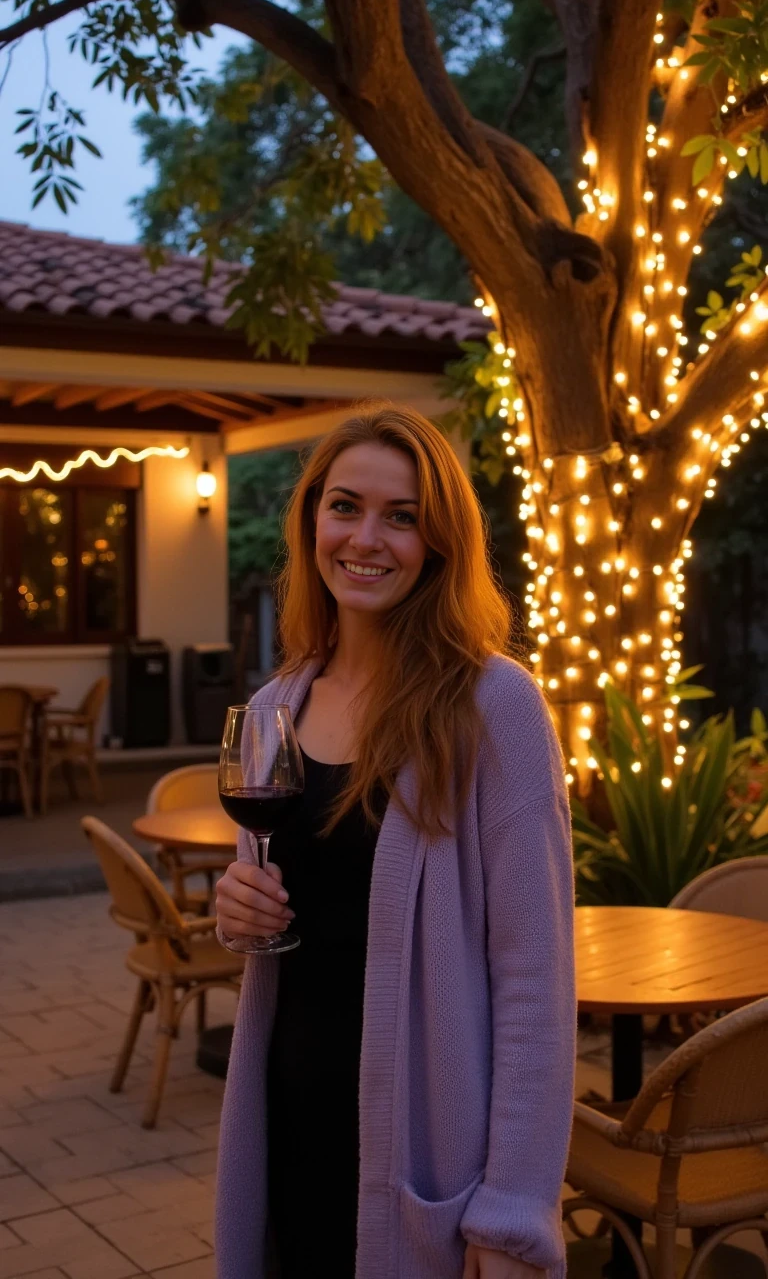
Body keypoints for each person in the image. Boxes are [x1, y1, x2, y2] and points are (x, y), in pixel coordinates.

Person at [215, 404, 576, 1279]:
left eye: (402, 516)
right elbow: (281, 905)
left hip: (425, 1152)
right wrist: (237, 910)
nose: (366, 538)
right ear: (311, 524)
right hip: (289, 1129)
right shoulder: (277, 708)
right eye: (345, 506)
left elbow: (536, 982)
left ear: (439, 543)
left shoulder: (495, 707)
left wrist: (513, 1212)